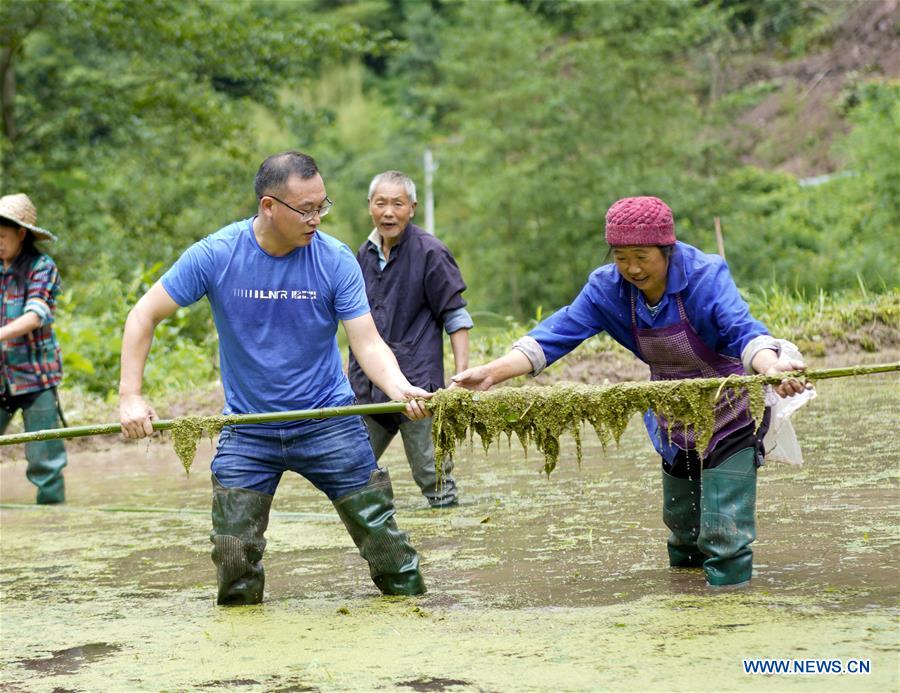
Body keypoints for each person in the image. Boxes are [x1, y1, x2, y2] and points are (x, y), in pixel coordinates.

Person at [119, 152, 431, 605]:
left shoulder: (335, 259)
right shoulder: (216, 255)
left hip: (328, 419)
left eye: (323, 206)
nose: (316, 219)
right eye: (306, 210)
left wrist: (398, 387)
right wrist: (131, 395)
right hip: (249, 430)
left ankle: (416, 616)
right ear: (269, 207)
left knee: (384, 541)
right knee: (232, 553)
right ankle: (244, 656)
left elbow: (366, 342)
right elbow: (143, 314)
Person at [452, 196, 808, 589]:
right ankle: (685, 600)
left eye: (642, 256)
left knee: (724, 533)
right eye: (621, 257)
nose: (633, 268)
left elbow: (745, 331)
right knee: (683, 528)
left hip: (728, 407)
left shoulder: (705, 275)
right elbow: (557, 334)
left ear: (666, 250)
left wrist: (770, 368)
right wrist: (492, 372)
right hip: (671, 411)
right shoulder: (607, 288)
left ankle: (729, 606)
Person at [349, 171, 472, 509]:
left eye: (397, 204)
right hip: (369, 388)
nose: (389, 212)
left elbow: (456, 316)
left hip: (418, 390)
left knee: (434, 479)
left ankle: (450, 543)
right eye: (381, 203)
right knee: (351, 472)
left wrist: (460, 378)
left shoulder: (431, 252)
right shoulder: (362, 255)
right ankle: (379, 537)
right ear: (370, 207)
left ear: (412, 208)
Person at [0, 193, 67, 505]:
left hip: (36, 377)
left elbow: (35, 314)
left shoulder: (42, 266)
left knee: (45, 462)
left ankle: (53, 519)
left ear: (21, 234)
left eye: (2, 236)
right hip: (2, 376)